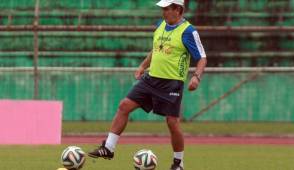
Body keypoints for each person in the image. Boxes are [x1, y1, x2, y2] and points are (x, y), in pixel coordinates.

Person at [88, 0, 207, 169]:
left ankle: (178, 163)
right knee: (124, 106)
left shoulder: (188, 31)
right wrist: (143, 66)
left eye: (167, 8)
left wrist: (196, 76)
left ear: (178, 10)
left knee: (172, 122)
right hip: (150, 80)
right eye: (162, 8)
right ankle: (108, 147)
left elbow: (202, 57)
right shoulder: (160, 25)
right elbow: (156, 49)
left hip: (171, 84)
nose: (163, 12)